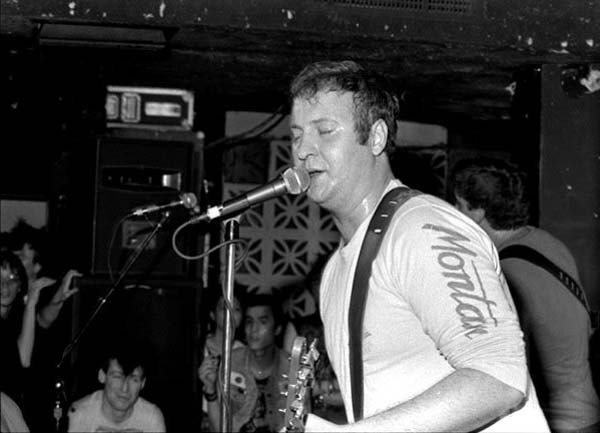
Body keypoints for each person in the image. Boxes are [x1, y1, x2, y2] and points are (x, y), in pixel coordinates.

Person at [289, 60, 549, 431]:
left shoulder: (422, 229)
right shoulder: (334, 271)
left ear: (376, 137)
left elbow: (500, 378)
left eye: (325, 131)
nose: (303, 150)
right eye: (297, 135)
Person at [451, 157, 600, 432]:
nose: (452, 212)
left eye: (458, 204)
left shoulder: (500, 274)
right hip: (587, 413)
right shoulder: (549, 243)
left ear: (477, 213)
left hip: (551, 421)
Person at [198, 293, 291, 432]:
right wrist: (210, 390)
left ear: (277, 328)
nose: (254, 329)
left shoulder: (291, 367)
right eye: (249, 322)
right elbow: (219, 427)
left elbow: (300, 422)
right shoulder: (231, 362)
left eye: (263, 321)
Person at [67, 342, 166, 432]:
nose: (125, 389)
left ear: (143, 383)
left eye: (134, 380)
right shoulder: (79, 413)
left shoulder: (151, 417)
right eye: (118, 377)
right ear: (102, 376)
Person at [0, 249, 47, 405]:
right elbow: (23, 360)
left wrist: (32, 302)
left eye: (11, 278)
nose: (4, 285)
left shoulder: (15, 319)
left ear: (20, 285)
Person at [197, 288, 245, 431]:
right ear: (212, 314)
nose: (230, 313)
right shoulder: (198, 348)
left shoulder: (245, 352)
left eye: (236, 309)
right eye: (224, 308)